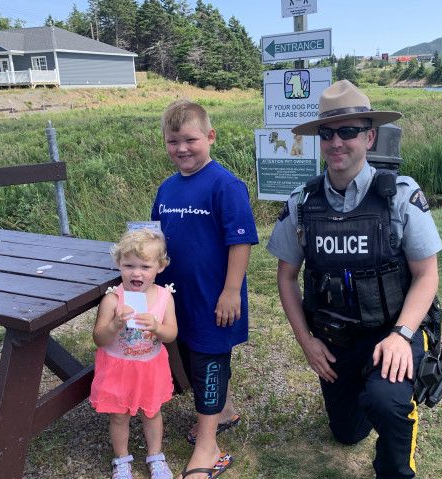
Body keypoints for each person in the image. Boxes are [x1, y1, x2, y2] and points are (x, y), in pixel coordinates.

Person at [266, 80, 442, 479]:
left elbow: (426, 274)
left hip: (392, 331)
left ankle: (395, 454)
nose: (336, 142)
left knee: (387, 401)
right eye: (327, 134)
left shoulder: (399, 195)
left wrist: (401, 336)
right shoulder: (302, 202)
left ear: (369, 135)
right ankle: (373, 391)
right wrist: (306, 341)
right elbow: (287, 277)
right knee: (346, 434)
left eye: (348, 131)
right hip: (335, 339)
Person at [151, 99, 259, 479]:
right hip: (174, 297)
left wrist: (231, 292)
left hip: (214, 298)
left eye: (190, 139)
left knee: (209, 361)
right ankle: (223, 411)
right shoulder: (166, 189)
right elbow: (155, 240)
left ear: (210, 137)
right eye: (172, 141)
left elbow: (240, 241)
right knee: (187, 355)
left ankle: (209, 446)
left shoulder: (226, 185)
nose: (181, 148)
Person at [90, 229, 178, 479]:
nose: (136, 273)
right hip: (118, 368)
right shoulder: (112, 300)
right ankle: (121, 459)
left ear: (160, 267)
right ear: (118, 264)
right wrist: (114, 325)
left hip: (150, 366)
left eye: (145, 266)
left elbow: (171, 334)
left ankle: (155, 456)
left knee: (152, 412)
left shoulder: (164, 298)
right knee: (119, 416)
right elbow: (99, 338)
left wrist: (157, 327)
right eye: (129, 265)